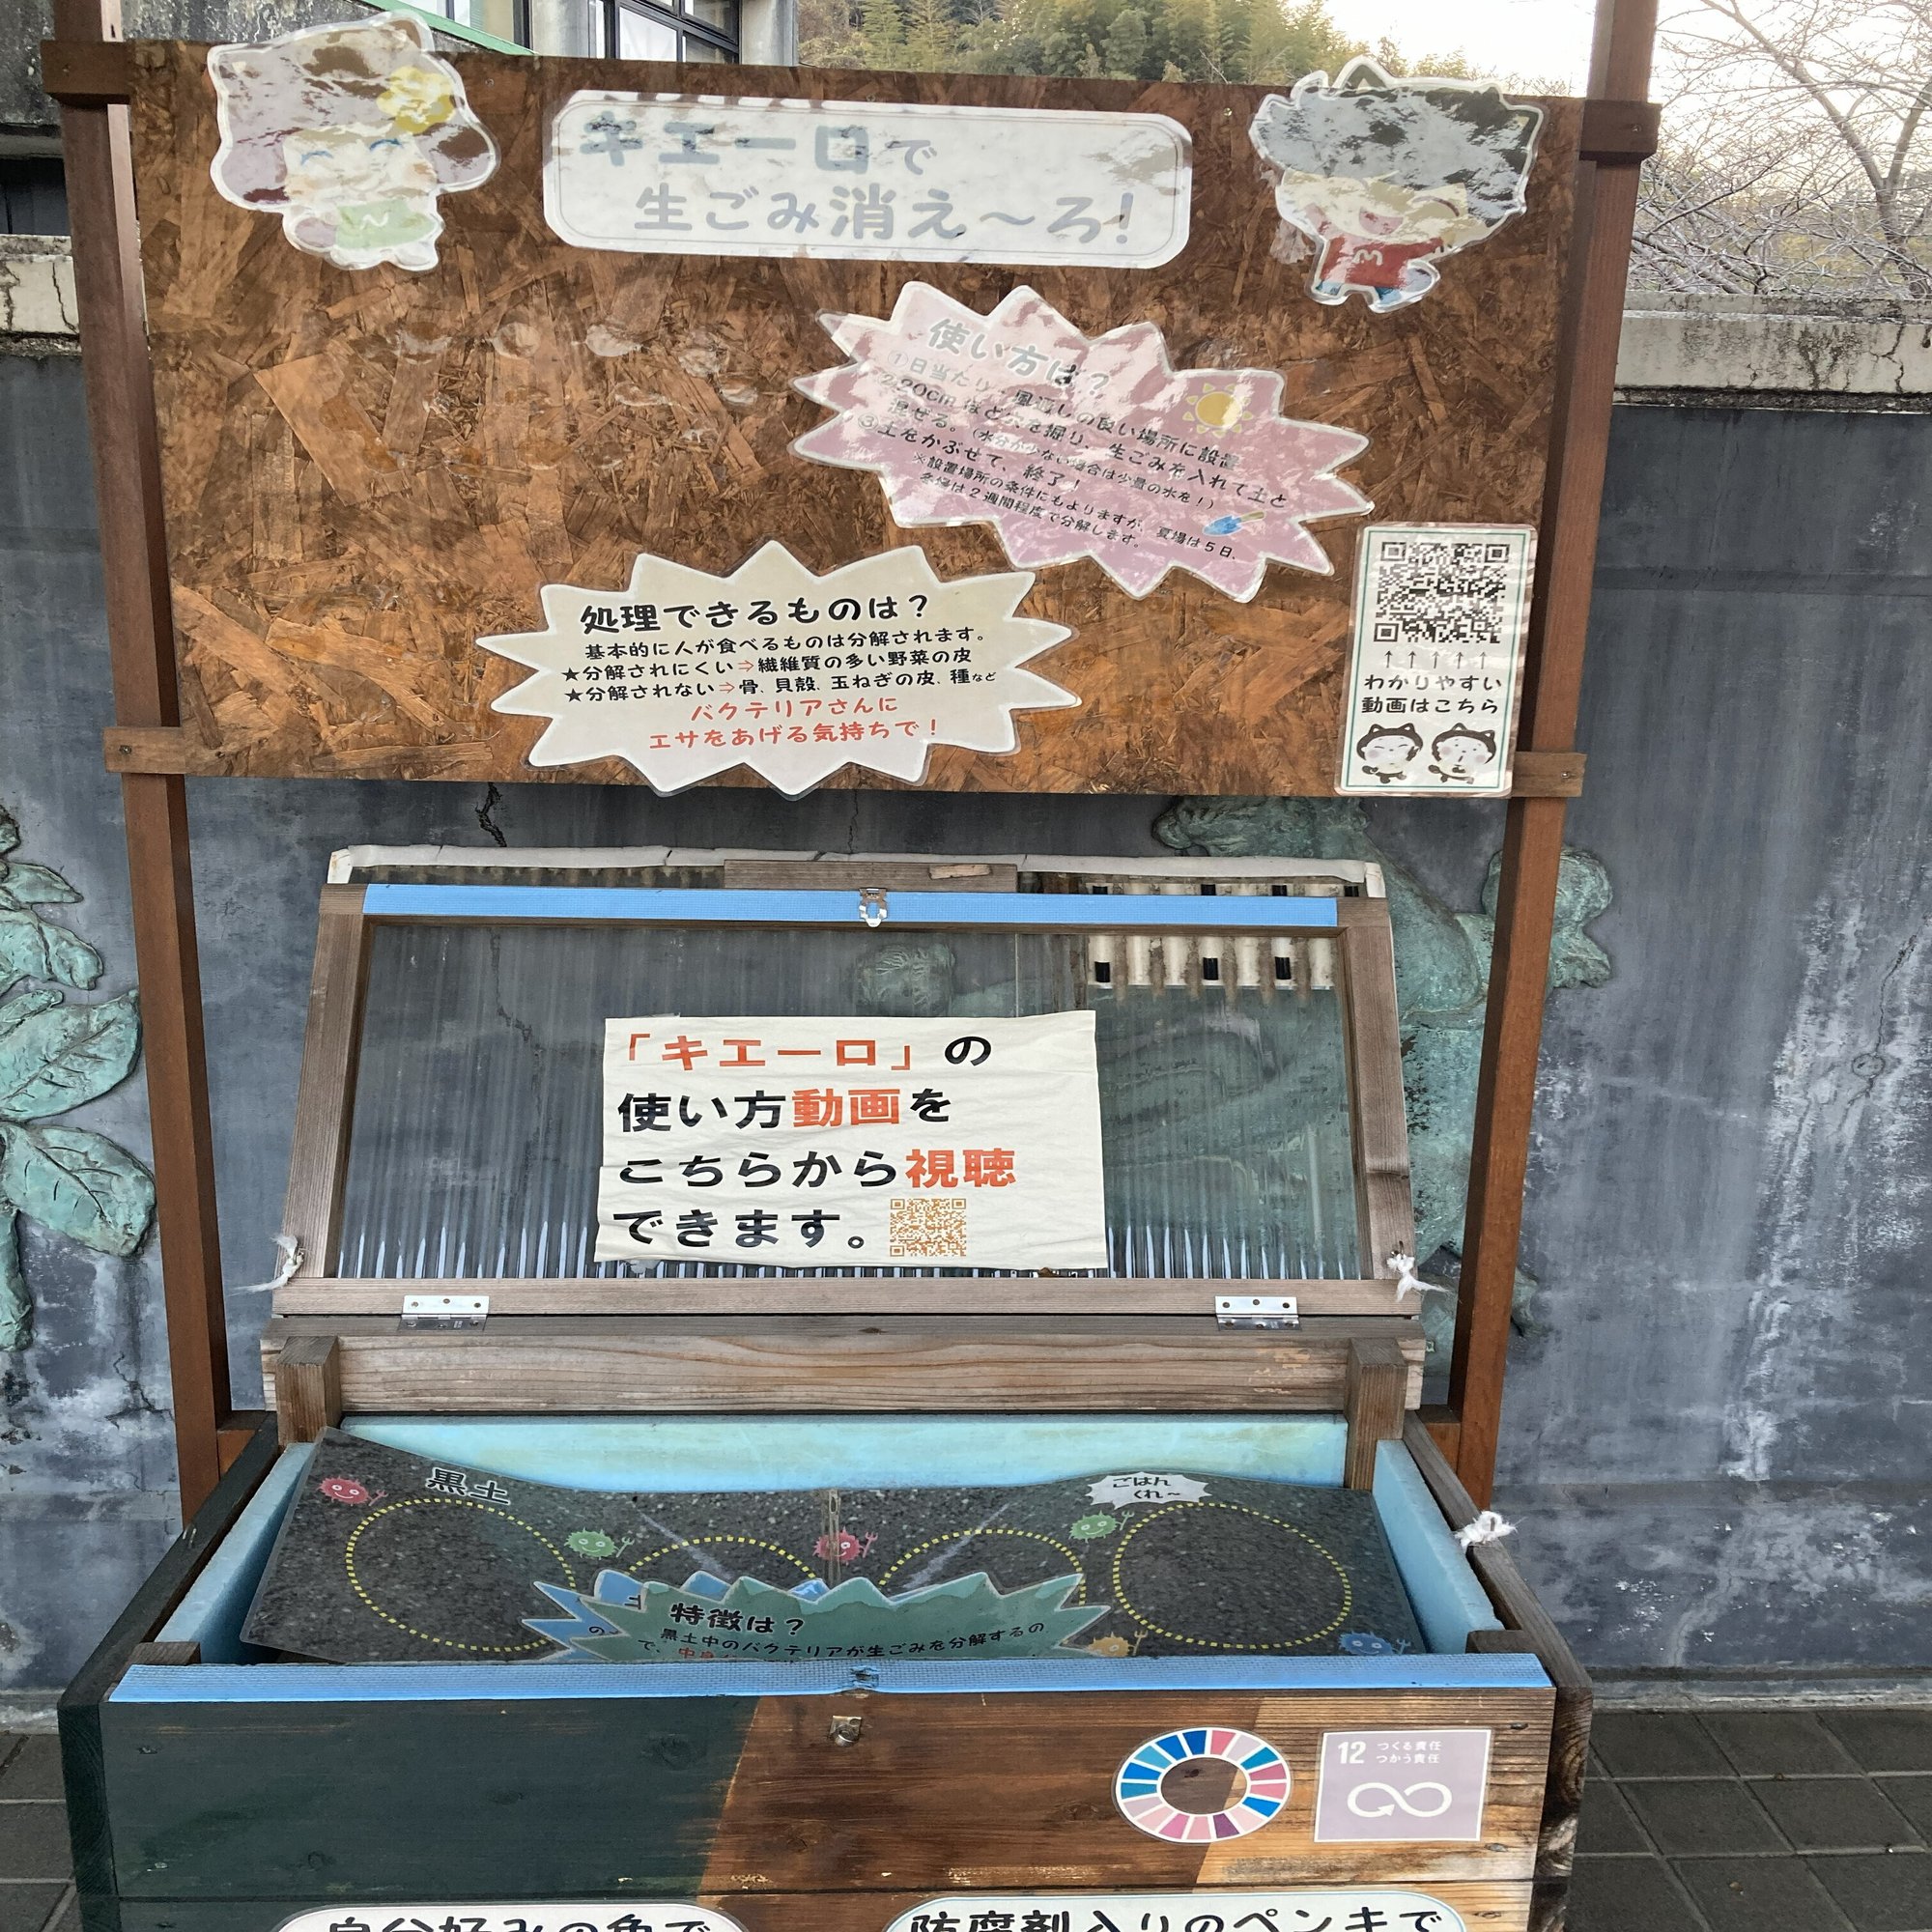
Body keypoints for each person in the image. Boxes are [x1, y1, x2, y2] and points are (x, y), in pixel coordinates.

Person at [1249, 58, 1543, 314]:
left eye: (1422, 202)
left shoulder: (1406, 238)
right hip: (1343, 275)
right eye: (1360, 186)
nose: (1384, 213)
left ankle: (1369, 289)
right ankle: (1351, 287)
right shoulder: (1339, 223)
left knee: (1376, 281)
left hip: (1375, 278)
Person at [209, 15, 497, 273]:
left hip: (407, 228)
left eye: (384, 147)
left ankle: (409, 245)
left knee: (409, 239)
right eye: (318, 157)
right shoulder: (294, 157)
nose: (357, 171)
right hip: (346, 234)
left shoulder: (413, 151)